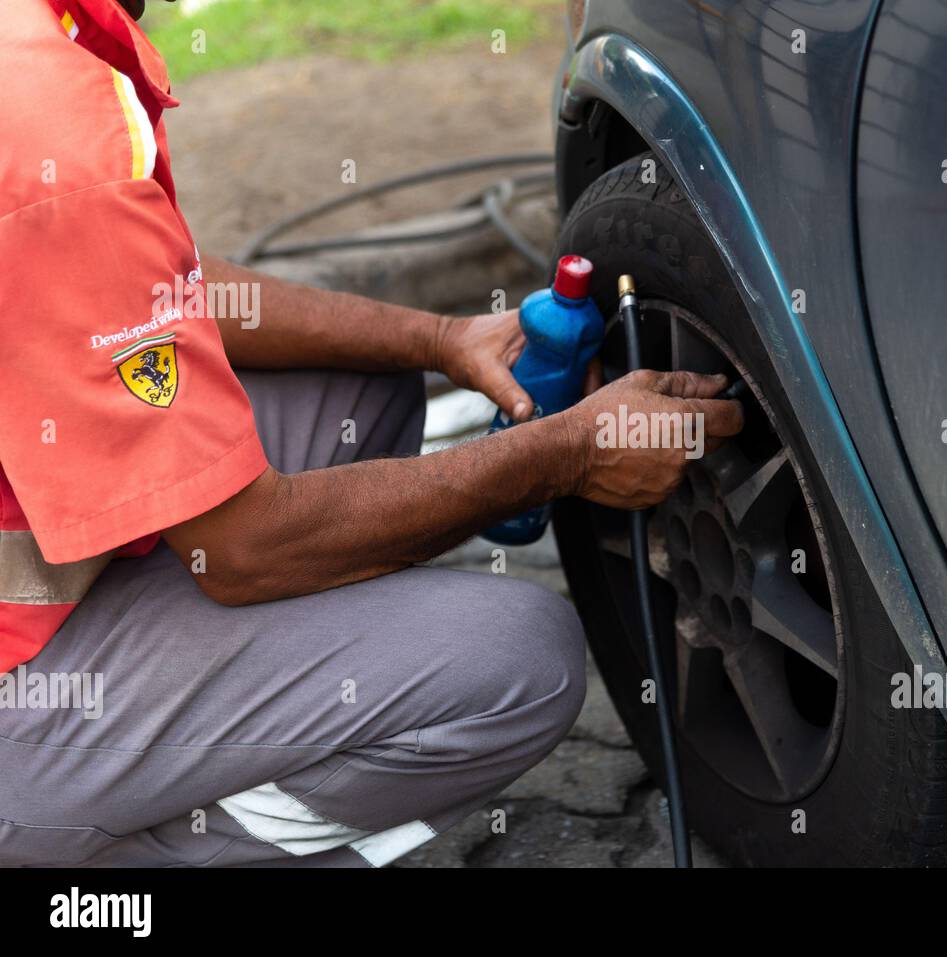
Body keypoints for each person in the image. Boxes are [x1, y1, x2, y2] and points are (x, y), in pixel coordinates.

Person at [0, 0, 741, 866]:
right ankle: (114, 873)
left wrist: (438, 341)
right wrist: (565, 453)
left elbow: (162, 284)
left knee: (361, 388)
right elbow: (242, 549)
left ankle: (232, 716)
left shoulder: (35, 40)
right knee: (518, 661)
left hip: (47, 581)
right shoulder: (52, 129)